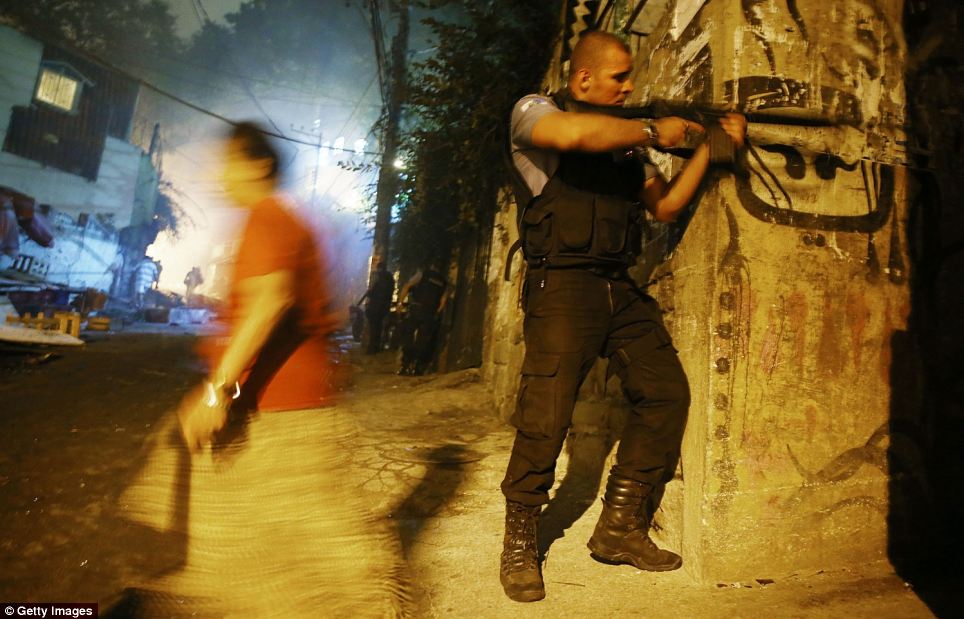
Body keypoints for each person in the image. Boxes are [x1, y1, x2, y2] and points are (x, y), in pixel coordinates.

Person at [499, 31, 747, 603]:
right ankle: (518, 543)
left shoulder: (625, 148)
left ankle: (618, 528)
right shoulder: (536, 112)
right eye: (620, 78)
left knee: (665, 394)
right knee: (547, 417)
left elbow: (664, 205)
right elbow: (571, 133)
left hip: (616, 287)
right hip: (559, 286)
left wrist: (711, 144)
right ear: (584, 79)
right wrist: (654, 129)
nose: (630, 87)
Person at [146, 121, 409, 616]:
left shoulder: (268, 219)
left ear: (258, 165)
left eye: (229, 163)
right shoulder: (275, 220)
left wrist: (214, 394)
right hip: (278, 406)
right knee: (271, 552)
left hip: (283, 410)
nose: (220, 176)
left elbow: (269, 301)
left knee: (286, 557)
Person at [396, 262, 448, 375]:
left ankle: (404, 365)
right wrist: (436, 312)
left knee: (408, 335)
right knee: (423, 340)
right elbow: (443, 302)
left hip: (416, 308)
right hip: (429, 313)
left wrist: (400, 303)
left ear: (432, 266)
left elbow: (407, 286)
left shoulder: (422, 274)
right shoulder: (443, 282)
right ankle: (416, 366)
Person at [356, 261, 395, 353]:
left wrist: (366, 302)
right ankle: (377, 346)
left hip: (375, 306)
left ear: (379, 268)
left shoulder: (376, 276)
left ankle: (372, 348)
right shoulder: (390, 278)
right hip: (384, 306)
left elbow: (370, 290)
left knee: (373, 327)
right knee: (379, 326)